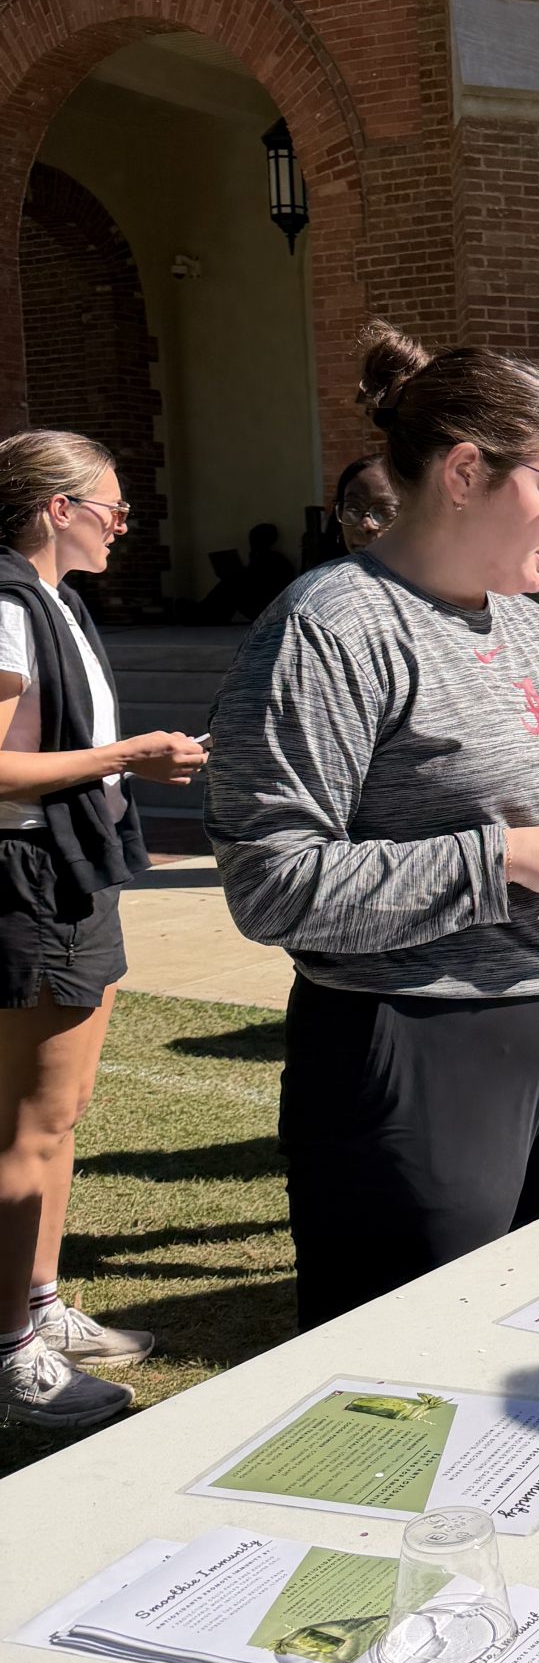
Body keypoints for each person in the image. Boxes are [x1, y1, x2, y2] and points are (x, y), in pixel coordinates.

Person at [206, 324, 539, 1333]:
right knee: (410, 1364)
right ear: (466, 471)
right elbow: (271, 882)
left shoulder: (526, 621)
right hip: (425, 1045)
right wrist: (504, 858)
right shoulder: (334, 626)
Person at [0, 432, 205, 1430]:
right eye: (112, 507)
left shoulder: (56, 603)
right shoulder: (5, 608)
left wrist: (125, 764)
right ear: (56, 506)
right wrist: (126, 753)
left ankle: (36, 1310)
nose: (125, 524)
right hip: (32, 881)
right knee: (27, 1123)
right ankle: (10, 1354)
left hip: (78, 875)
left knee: (64, 1110)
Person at [323, 454, 398, 559]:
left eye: (384, 510)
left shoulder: (426, 574)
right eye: (354, 509)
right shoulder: (322, 575)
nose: (366, 525)